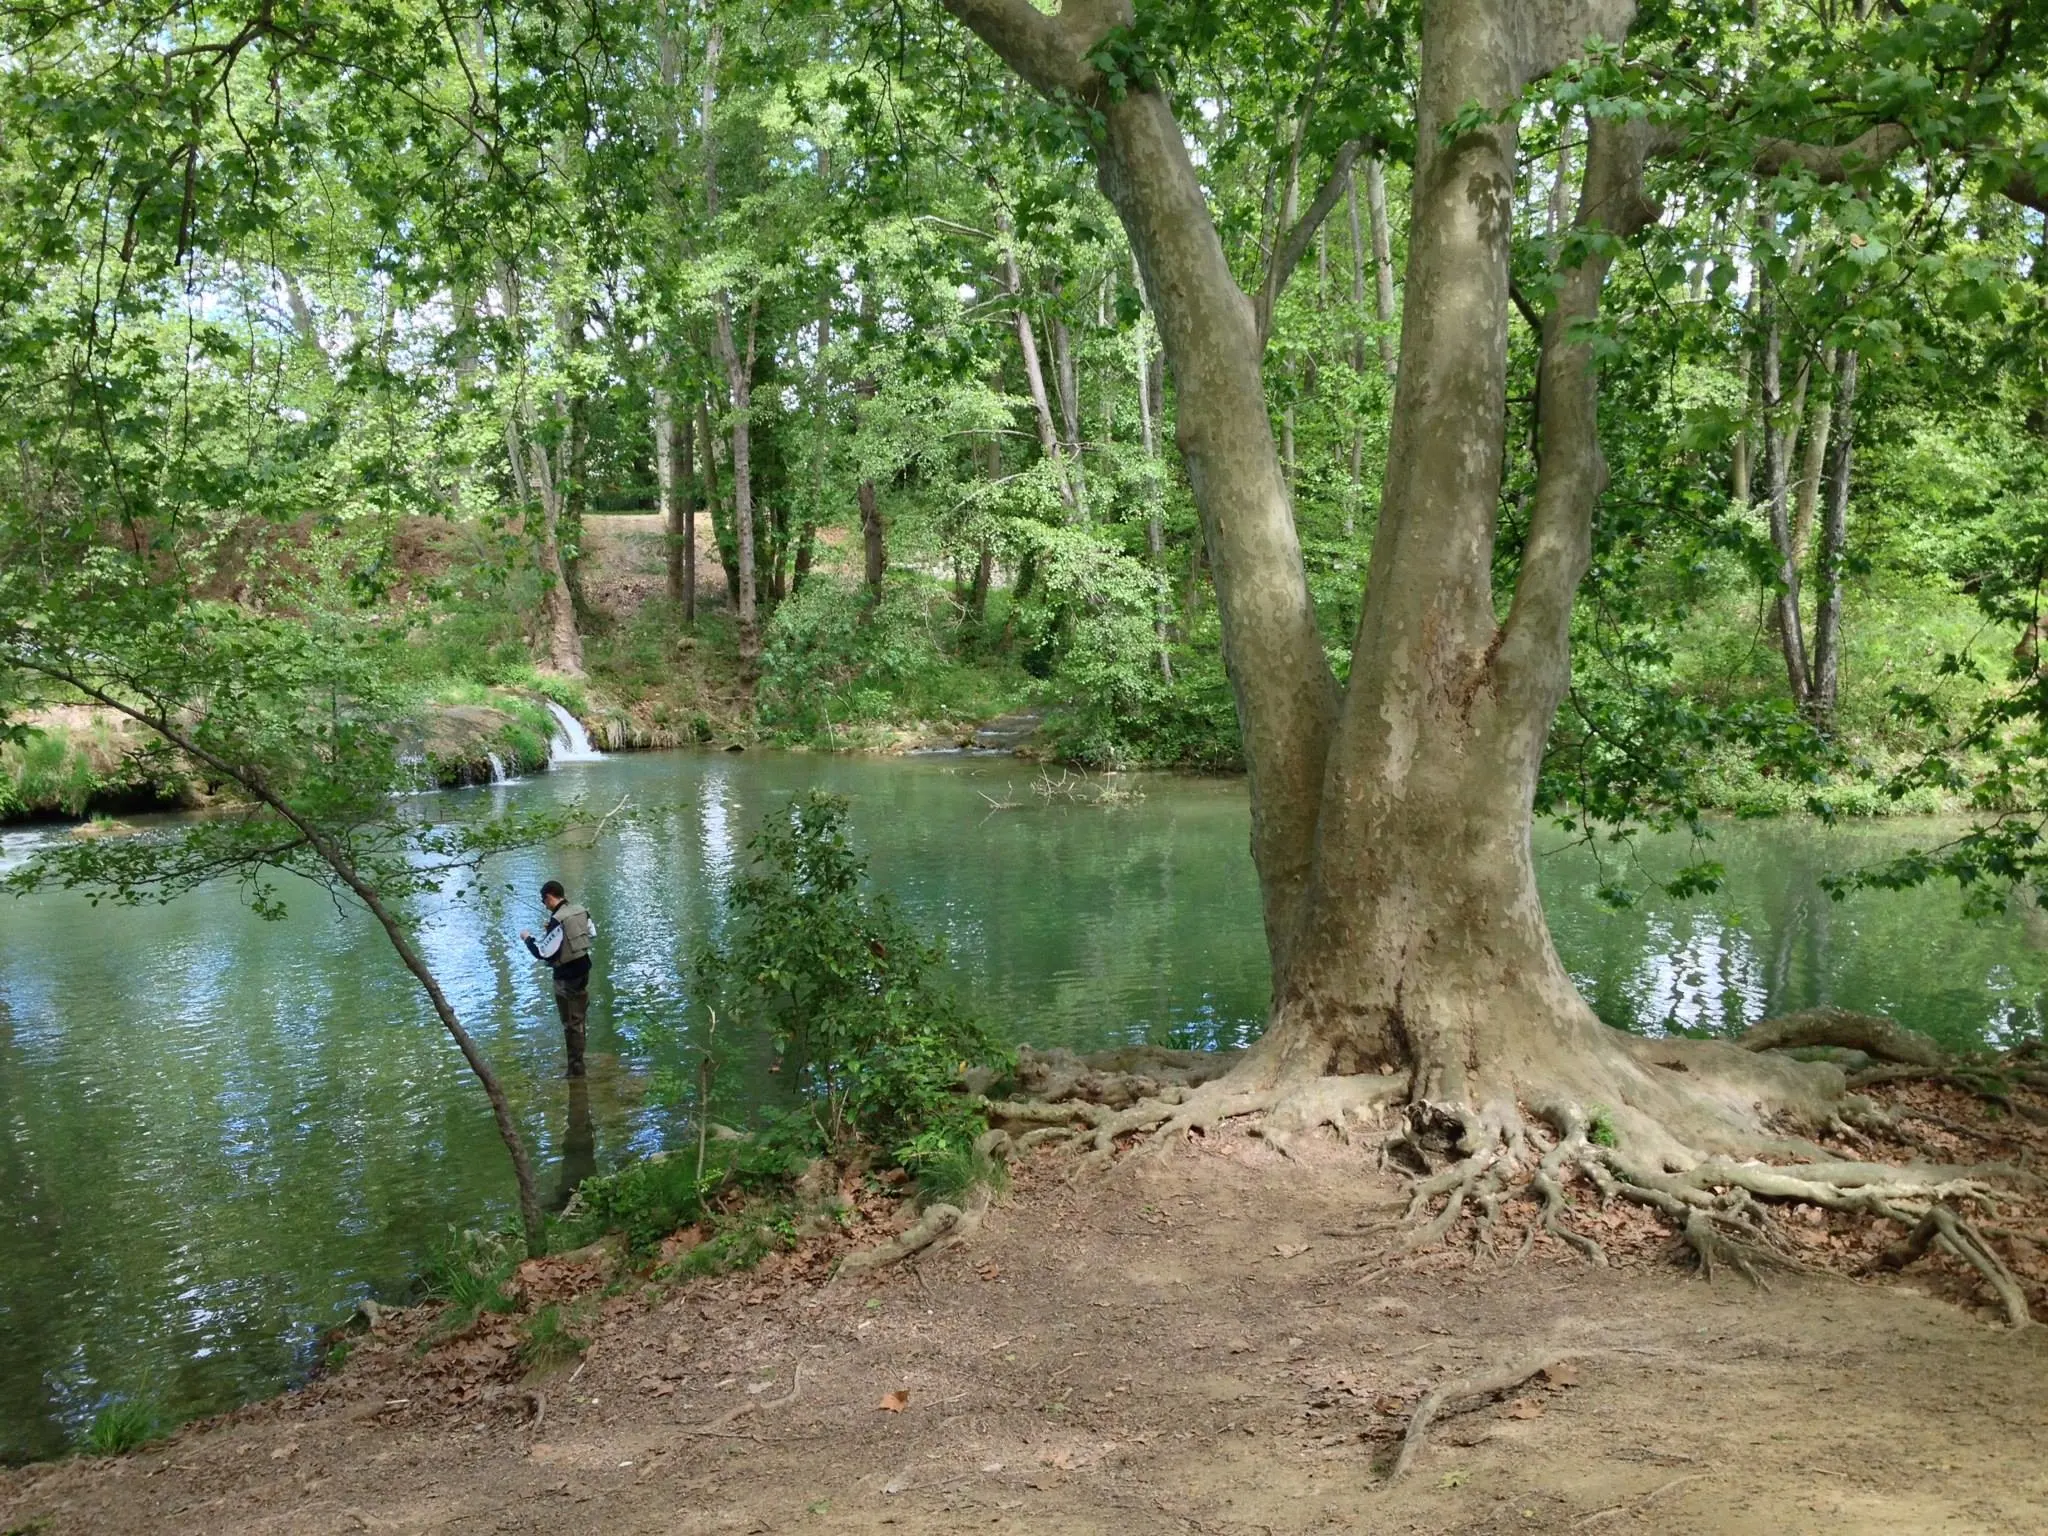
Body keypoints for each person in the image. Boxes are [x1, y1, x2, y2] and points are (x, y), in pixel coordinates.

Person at [522, 879, 597, 1077]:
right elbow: (592, 933)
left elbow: (543, 953)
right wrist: (556, 930)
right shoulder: (581, 910)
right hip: (584, 970)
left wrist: (528, 939)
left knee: (570, 1023)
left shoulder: (557, 919)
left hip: (566, 977)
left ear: (549, 897)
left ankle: (576, 1069)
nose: (544, 905)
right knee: (579, 1017)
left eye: (543, 901)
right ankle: (579, 1060)